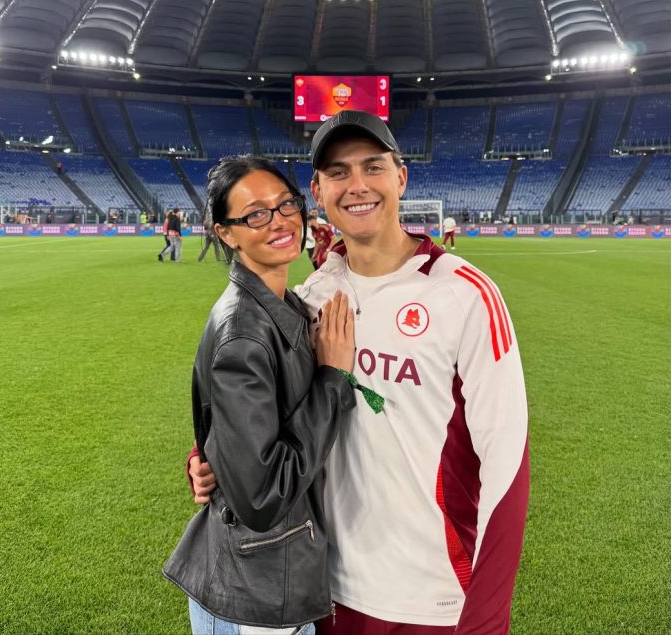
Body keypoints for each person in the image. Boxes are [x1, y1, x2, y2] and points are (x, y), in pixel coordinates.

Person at [191, 111, 529, 635]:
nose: (357, 186)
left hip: (430, 599)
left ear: (401, 177)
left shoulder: (464, 295)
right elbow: (262, 412)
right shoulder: (312, 296)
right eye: (338, 172)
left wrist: (485, 620)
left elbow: (507, 464)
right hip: (324, 590)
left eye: (373, 167)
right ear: (318, 191)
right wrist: (208, 459)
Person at [163, 156, 358, 635]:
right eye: (255, 214)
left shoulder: (280, 305)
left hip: (266, 577)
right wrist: (333, 378)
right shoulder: (245, 334)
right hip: (256, 594)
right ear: (226, 233)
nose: (279, 221)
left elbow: (242, 431)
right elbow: (262, 497)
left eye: (286, 204)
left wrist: (208, 457)